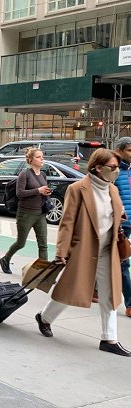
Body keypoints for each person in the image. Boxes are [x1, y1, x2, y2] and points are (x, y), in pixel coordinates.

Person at [35, 149, 130, 356]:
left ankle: (109, 339)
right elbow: (67, 222)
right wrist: (62, 251)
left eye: (116, 167)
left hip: (108, 249)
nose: (115, 171)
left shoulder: (112, 189)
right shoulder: (78, 189)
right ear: (97, 167)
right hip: (83, 248)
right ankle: (44, 318)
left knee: (109, 295)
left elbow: (115, 214)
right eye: (112, 167)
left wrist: (119, 216)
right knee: (69, 292)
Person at [0, 147, 50, 274]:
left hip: (40, 213)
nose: (41, 159)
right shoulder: (25, 174)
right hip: (26, 213)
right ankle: (5, 259)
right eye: (38, 157)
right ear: (31, 160)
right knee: (21, 243)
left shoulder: (43, 175)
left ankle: (43, 273)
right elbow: (19, 193)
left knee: (43, 244)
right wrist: (38, 190)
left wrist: (46, 192)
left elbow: (42, 191)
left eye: (42, 156)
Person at [114, 137, 131, 317]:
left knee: (118, 260)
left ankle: (94, 290)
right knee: (123, 262)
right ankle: (130, 303)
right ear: (119, 150)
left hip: (128, 223)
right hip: (117, 224)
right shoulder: (114, 170)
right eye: (129, 150)